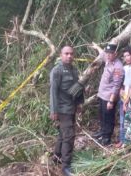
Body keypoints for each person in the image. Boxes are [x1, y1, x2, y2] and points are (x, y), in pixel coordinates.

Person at [49, 45, 84, 176]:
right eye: (66, 54)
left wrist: (80, 103)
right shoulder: (57, 71)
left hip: (72, 107)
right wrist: (53, 110)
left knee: (63, 134)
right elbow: (53, 92)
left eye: (71, 54)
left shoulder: (74, 70)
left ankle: (57, 157)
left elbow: (78, 87)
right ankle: (66, 166)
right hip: (63, 109)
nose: (69, 56)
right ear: (61, 55)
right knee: (69, 136)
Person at [91, 42, 124, 146]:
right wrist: (96, 47)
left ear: (116, 54)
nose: (108, 55)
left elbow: (116, 86)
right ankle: (102, 131)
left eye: (111, 53)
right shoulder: (108, 60)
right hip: (102, 95)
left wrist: (111, 100)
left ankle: (106, 137)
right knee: (102, 115)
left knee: (108, 117)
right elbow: (102, 54)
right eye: (108, 53)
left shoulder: (118, 67)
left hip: (109, 97)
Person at [115, 46, 131, 148]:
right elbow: (127, 86)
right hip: (126, 99)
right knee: (124, 121)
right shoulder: (126, 69)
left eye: (130, 55)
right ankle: (123, 141)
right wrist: (125, 100)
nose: (129, 58)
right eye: (125, 56)